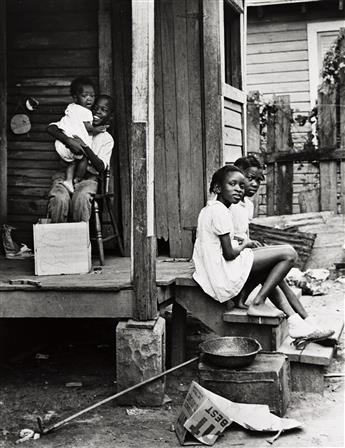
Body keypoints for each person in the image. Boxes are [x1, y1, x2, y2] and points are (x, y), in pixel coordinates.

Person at [192, 165, 333, 341]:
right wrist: (246, 245)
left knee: (271, 267)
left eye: (241, 186)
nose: (238, 189)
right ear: (217, 188)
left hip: (217, 271)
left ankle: (296, 321)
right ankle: (259, 303)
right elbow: (229, 253)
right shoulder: (219, 211)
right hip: (222, 274)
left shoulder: (212, 209)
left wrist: (244, 244)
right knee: (289, 253)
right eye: (232, 184)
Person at [46, 94, 114, 223]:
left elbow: (101, 167)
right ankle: (56, 240)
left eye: (104, 110)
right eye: (96, 107)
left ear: (110, 116)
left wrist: (84, 146)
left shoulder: (106, 139)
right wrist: (68, 140)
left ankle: (79, 240)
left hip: (88, 179)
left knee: (81, 199)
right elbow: (51, 128)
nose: (98, 112)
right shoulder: (76, 123)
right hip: (65, 176)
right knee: (59, 199)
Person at [54, 77, 109, 194]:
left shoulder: (71, 108)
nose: (89, 99)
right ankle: (77, 180)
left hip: (61, 143)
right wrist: (96, 129)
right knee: (83, 158)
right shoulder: (85, 112)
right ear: (75, 97)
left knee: (72, 162)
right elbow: (88, 127)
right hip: (69, 142)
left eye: (92, 96)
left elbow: (101, 166)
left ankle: (69, 180)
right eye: (85, 96)